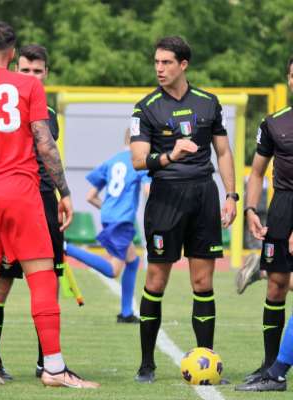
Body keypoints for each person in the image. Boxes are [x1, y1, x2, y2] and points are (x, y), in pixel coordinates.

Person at [0, 21, 98, 389]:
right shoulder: (28, 86)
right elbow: (44, 143)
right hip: (20, 193)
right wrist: (65, 192)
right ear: (13, 54)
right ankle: (54, 369)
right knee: (42, 277)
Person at [129, 36, 237, 383]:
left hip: (204, 197)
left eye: (166, 63)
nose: (159, 69)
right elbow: (138, 161)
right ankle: (147, 364)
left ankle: (206, 358)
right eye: (156, 62)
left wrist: (231, 196)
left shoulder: (209, 103)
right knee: (156, 280)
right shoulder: (145, 108)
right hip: (165, 199)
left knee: (203, 282)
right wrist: (170, 155)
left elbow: (223, 152)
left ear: (183, 65)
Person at [0, 44, 65, 381]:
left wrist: (63, 195)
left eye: (38, 71)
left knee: (49, 283)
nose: (32, 77)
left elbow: (48, 157)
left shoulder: (48, 112)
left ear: (46, 73)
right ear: (14, 71)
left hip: (45, 201)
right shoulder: (1, 108)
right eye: (25, 71)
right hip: (13, 201)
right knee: (1, 284)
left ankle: (44, 362)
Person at [235, 56, 293, 391]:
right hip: (282, 207)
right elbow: (256, 172)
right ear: (288, 79)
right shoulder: (274, 123)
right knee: (276, 287)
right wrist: (251, 210)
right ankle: (270, 366)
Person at [65, 129, 150, 323]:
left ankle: (126, 313)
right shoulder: (139, 162)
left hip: (110, 217)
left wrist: (109, 209)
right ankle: (67, 248)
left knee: (133, 261)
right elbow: (148, 191)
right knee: (113, 270)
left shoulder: (111, 161)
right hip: (122, 221)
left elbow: (90, 196)